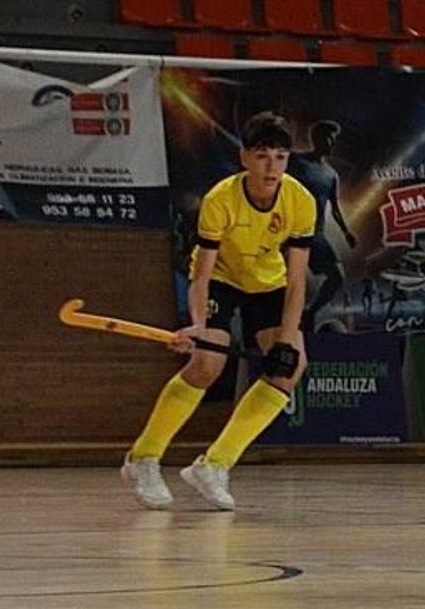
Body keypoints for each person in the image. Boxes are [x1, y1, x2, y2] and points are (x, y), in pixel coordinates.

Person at [121, 111, 316, 510]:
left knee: (289, 368)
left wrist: (286, 342)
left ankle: (214, 465)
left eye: (280, 157)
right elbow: (201, 276)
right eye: (263, 156)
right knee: (207, 364)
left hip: (268, 283)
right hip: (222, 279)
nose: (272, 167)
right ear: (245, 157)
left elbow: (297, 282)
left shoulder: (301, 201)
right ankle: (143, 457)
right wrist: (196, 326)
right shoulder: (220, 200)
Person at [287, 119, 358, 328]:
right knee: (287, 281)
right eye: (329, 138)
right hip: (288, 232)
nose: (332, 144)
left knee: (337, 277)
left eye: (334, 140)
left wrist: (346, 232)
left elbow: (334, 207)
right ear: (316, 138)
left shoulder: (330, 174)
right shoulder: (294, 162)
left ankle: (310, 312)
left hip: (315, 234)